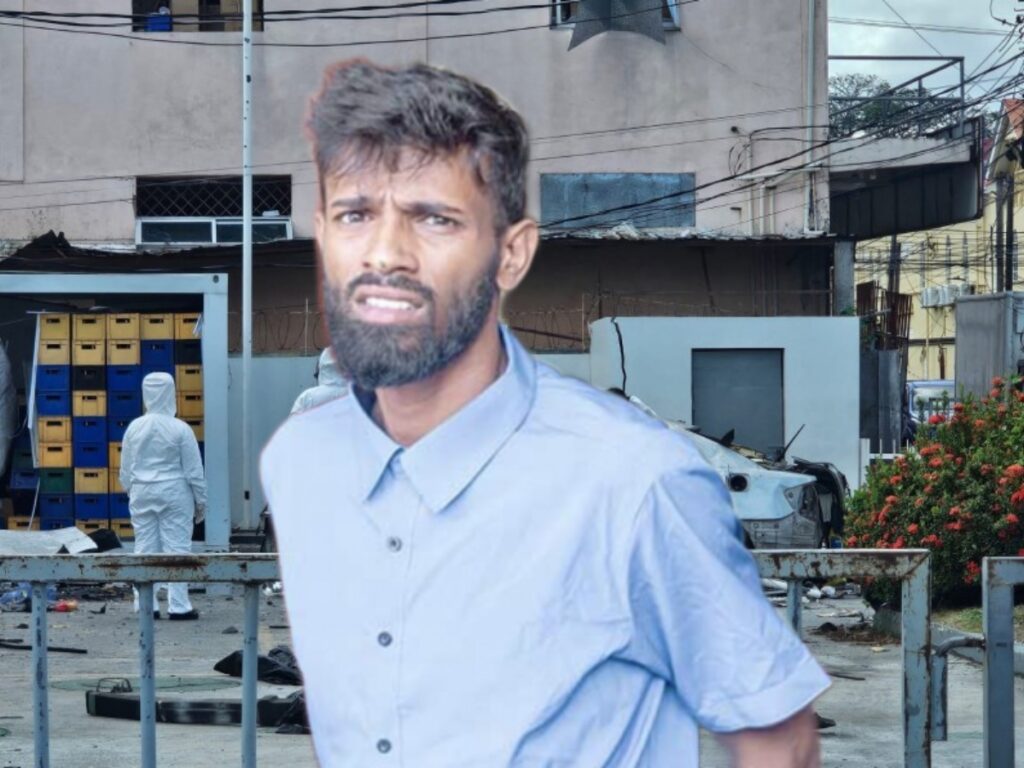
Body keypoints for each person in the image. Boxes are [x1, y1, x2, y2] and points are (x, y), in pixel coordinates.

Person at [260, 60, 829, 767]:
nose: (385, 255)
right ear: (322, 232)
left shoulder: (633, 483)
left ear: (511, 253)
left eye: (433, 219)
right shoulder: (299, 462)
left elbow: (779, 741)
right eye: (355, 214)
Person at [120, 372, 206, 620]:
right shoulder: (181, 429)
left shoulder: (134, 428)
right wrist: (201, 501)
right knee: (177, 548)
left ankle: (146, 604)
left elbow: (125, 468)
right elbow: (193, 470)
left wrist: (131, 489)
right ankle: (179, 605)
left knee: (145, 548)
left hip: (142, 491)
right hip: (175, 492)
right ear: (171, 393)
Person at [289, 346, 348, 414]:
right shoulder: (356, 397)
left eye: (316, 375)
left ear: (322, 369)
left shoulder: (307, 398)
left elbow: (294, 419)